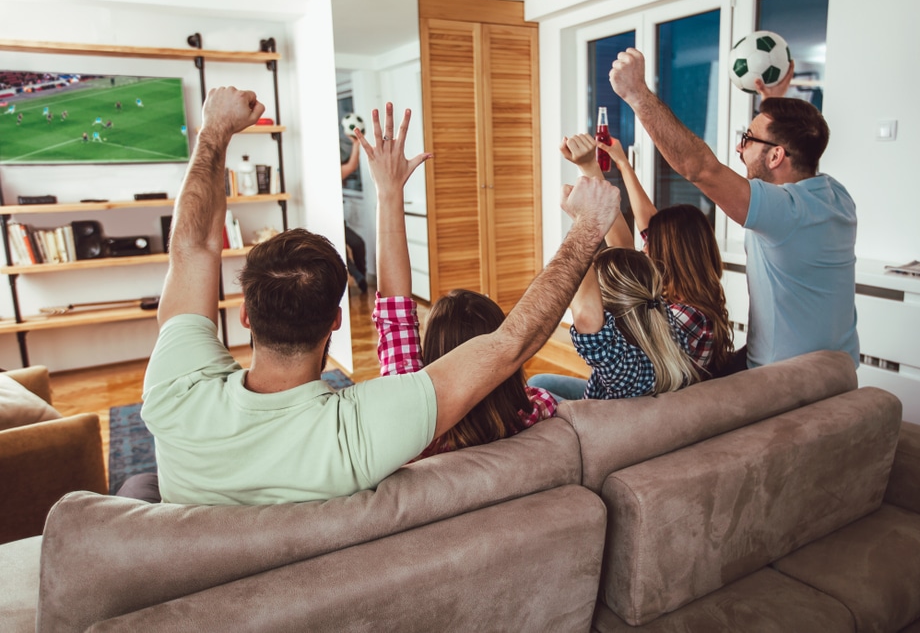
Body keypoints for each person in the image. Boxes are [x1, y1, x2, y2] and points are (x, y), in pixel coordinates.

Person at [140, 88, 621, 505]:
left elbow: (190, 245)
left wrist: (214, 133)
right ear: (336, 320)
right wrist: (589, 227)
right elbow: (510, 343)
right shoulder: (363, 430)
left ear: (245, 315)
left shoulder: (174, 393)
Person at [609, 48, 859, 369]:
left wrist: (637, 94)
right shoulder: (835, 196)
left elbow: (699, 168)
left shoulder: (784, 212)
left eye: (748, 138)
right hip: (838, 366)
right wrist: (774, 101)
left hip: (787, 378)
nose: (739, 147)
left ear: (776, 156)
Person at [366, 107, 558, 458]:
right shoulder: (538, 409)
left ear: (431, 354)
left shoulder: (412, 426)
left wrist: (387, 193)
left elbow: (394, 316)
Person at [589, 135, 735, 377]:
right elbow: (644, 225)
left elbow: (622, 251)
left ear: (670, 257)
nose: (643, 248)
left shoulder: (685, 316)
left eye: (649, 244)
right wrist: (622, 164)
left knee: (543, 381)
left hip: (637, 405)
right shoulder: (686, 301)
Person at [567, 246, 700, 399]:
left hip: (596, 418)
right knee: (543, 380)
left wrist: (580, 241)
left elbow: (586, 315)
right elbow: (629, 268)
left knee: (540, 382)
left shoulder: (626, 369)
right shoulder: (661, 314)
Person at [339, 132, 368, 292]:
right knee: (340, 251)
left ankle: (361, 278)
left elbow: (351, 166)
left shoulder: (334, 172)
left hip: (341, 224)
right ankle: (357, 275)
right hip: (327, 227)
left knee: (358, 243)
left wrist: (356, 145)